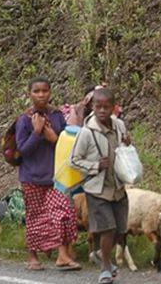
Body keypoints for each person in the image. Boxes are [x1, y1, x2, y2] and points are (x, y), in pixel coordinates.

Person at [15, 76, 80, 272]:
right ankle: (33, 256)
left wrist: (54, 139)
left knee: (64, 213)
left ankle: (62, 255)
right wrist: (36, 133)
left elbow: (66, 144)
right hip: (32, 177)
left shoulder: (57, 116)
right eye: (37, 91)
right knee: (35, 217)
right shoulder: (24, 120)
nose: (41, 95)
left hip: (56, 177)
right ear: (30, 94)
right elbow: (23, 150)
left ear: (50, 93)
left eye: (45, 91)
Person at [71, 88, 130, 284]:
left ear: (114, 108)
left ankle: (99, 254)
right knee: (107, 228)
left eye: (106, 107)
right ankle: (105, 268)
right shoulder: (87, 133)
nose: (102, 111)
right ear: (92, 108)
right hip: (97, 189)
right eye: (98, 107)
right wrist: (95, 165)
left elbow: (125, 151)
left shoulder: (120, 126)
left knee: (120, 230)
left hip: (118, 186)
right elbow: (74, 160)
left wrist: (128, 144)